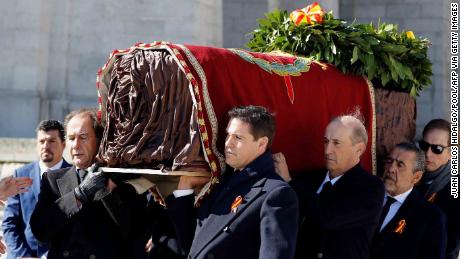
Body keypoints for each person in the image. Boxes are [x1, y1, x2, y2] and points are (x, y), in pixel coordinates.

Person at [166, 105, 299, 259]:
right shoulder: (221, 182)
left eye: (238, 137)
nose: (228, 143)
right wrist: (185, 189)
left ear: (261, 143)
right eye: (228, 135)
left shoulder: (276, 194)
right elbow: (194, 246)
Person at [30, 108, 150, 259]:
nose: (75, 145)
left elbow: (136, 233)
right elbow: (40, 231)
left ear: (99, 139)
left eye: (83, 137)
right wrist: (78, 196)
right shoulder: (52, 179)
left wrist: (110, 190)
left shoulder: (123, 178)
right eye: (71, 138)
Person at [274, 113, 385, 259]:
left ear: (359, 149)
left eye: (336, 143)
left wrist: (290, 182)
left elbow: (329, 217)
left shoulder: (371, 187)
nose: (327, 151)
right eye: (326, 141)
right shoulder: (309, 179)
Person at [2, 120, 71, 259]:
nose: (45, 146)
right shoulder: (20, 175)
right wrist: (23, 255)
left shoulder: (75, 176)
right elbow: (10, 222)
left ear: (63, 145)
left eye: (51, 141)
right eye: (41, 141)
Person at [371, 142, 447, 259]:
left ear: (416, 177)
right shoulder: (366, 198)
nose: (391, 169)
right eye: (389, 161)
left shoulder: (430, 217)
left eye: (400, 165)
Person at [415, 119, 460, 259]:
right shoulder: (410, 176)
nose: (428, 154)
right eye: (424, 146)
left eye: (437, 149)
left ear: (451, 153)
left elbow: (452, 246)